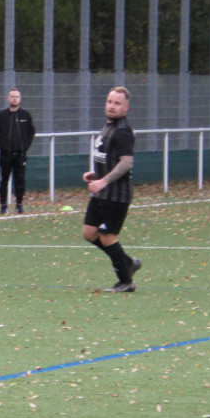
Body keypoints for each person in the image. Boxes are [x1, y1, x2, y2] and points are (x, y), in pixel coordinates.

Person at [81, 87, 142, 293]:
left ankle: (126, 281)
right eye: (110, 101)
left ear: (126, 108)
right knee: (89, 233)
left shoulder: (123, 131)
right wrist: (95, 174)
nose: (112, 106)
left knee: (108, 237)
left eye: (117, 103)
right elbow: (109, 158)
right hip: (101, 192)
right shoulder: (109, 127)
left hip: (116, 195)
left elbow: (126, 163)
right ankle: (127, 262)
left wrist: (104, 181)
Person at [0, 89, 36, 214]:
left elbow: (31, 132)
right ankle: (3, 205)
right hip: (6, 155)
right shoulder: (1, 116)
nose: (15, 99)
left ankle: (19, 205)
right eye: (12, 96)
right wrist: (2, 145)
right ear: (8, 98)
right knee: (4, 179)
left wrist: (25, 146)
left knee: (20, 180)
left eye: (17, 96)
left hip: (20, 154)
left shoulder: (25, 115)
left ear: (20, 98)